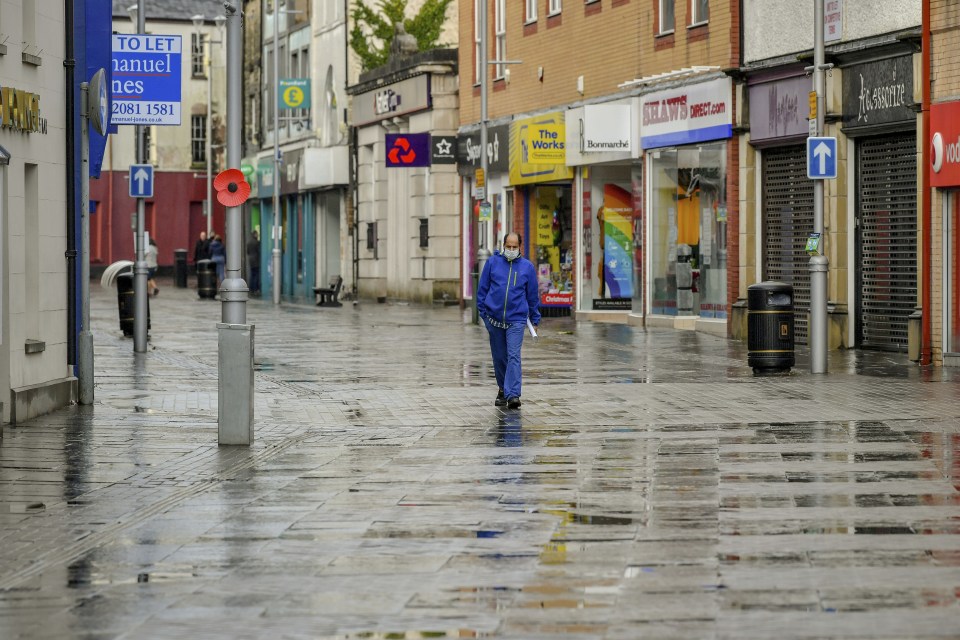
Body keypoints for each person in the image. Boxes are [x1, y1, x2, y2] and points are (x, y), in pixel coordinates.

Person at [476, 232, 540, 409]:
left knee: (513, 356)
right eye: (508, 246)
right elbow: (482, 290)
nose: (511, 250)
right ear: (503, 245)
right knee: (499, 358)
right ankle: (502, 389)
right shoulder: (492, 263)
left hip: (517, 319)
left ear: (520, 247)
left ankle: (513, 394)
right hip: (494, 319)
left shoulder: (527, 267)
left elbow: (532, 295)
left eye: (515, 247)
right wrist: (484, 315)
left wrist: (535, 318)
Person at [246, 230, 261, 296]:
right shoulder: (257, 242)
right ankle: (255, 289)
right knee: (256, 275)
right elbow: (258, 251)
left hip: (250, 260)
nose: (257, 235)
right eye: (257, 234)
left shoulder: (249, 242)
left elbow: (248, 252)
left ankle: (251, 288)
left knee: (252, 274)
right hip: (256, 260)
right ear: (255, 235)